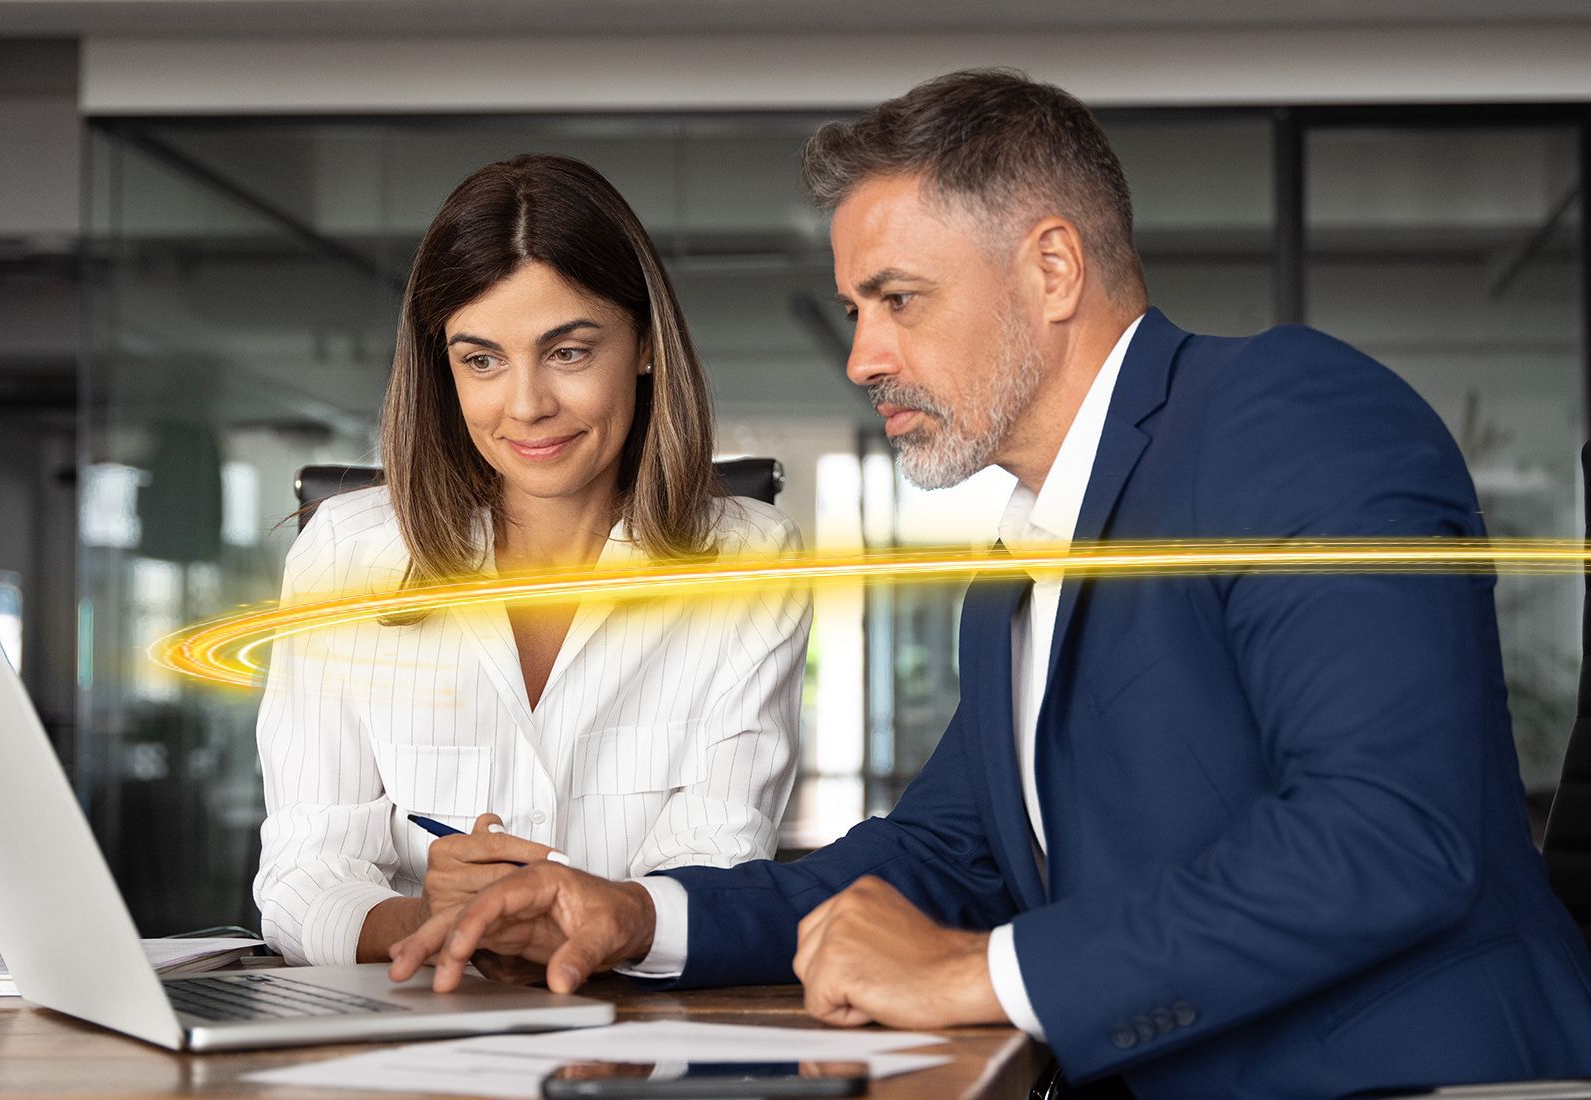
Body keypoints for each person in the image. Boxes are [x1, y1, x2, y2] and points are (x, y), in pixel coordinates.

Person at [388, 73, 1591, 1094]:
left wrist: (983, 972)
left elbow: (1386, 833)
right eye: (859, 309)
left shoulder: (1288, 417)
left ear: (1053, 267)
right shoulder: (1016, 574)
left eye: (898, 300)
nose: (863, 354)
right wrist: (635, 914)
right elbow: (936, 857)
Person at [253, 155, 813, 971]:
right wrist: (422, 917)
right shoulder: (344, 555)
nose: (525, 405)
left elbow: (713, 867)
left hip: (637, 1045)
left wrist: (565, 916)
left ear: (645, 346)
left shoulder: (752, 562)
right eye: (481, 360)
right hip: (413, 1039)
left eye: (569, 352)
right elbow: (303, 873)